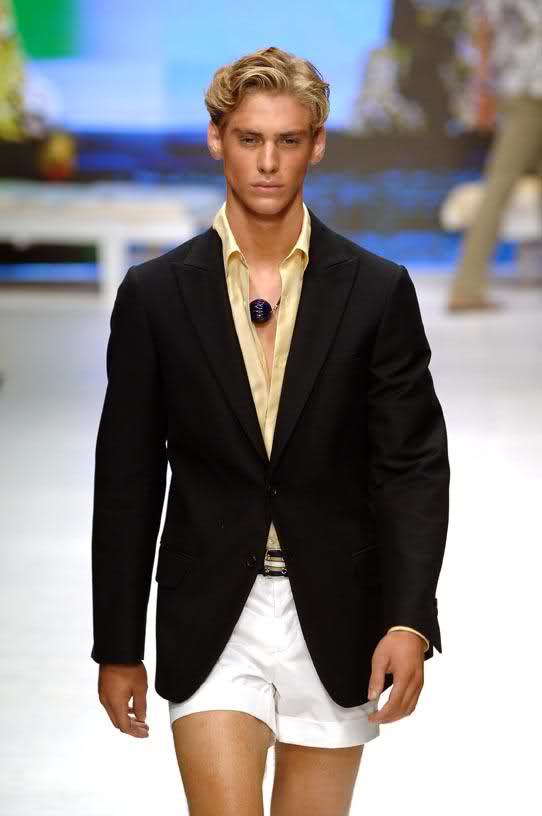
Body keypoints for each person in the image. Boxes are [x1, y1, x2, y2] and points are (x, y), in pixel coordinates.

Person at [91, 46, 449, 815]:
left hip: (338, 612)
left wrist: (409, 618)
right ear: (216, 138)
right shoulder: (155, 296)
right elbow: (126, 481)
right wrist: (117, 646)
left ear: (316, 144)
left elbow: (411, 467)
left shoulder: (376, 291)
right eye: (249, 138)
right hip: (212, 615)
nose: (267, 162)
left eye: (288, 140)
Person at [448, 0, 542, 311]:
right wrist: (483, 93)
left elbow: (483, 34)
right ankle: (466, 288)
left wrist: (483, 91)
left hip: (519, 90)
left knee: (498, 188)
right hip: (528, 94)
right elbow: (484, 35)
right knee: (498, 189)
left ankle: (467, 286)